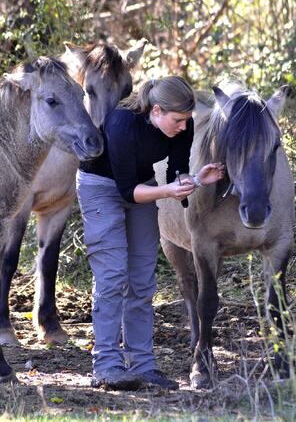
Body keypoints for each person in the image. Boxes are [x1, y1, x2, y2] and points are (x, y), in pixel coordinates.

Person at [76, 76, 225, 391]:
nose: (183, 128)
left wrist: (195, 180)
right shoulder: (121, 123)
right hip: (101, 188)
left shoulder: (181, 125)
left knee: (143, 279)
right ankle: (106, 366)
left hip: (142, 187)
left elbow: (176, 172)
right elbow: (128, 191)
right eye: (177, 121)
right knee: (113, 275)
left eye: (187, 121)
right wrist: (170, 189)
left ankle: (143, 366)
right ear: (156, 111)